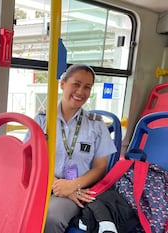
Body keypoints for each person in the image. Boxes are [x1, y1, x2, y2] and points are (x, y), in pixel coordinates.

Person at [27, 64, 117, 233]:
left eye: (87, 87)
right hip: (42, 184)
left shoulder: (96, 125)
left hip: (78, 189)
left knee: (51, 217)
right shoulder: (42, 121)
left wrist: (73, 185)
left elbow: (100, 168)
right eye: (76, 84)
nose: (80, 92)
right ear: (63, 84)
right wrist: (58, 186)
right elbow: (30, 159)